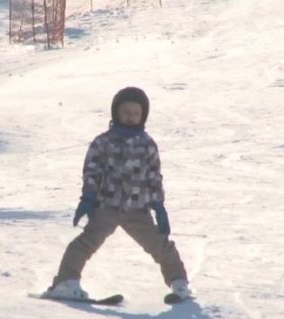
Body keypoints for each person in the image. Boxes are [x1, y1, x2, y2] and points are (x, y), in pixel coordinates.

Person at [45, 87, 191, 300]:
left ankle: (179, 283)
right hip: (106, 206)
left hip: (138, 209)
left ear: (143, 116)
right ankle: (65, 282)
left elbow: (154, 176)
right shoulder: (103, 142)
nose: (130, 118)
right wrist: (88, 198)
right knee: (86, 243)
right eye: (126, 112)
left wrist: (158, 206)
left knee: (161, 245)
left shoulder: (147, 144)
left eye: (135, 113)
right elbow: (92, 171)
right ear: (116, 113)